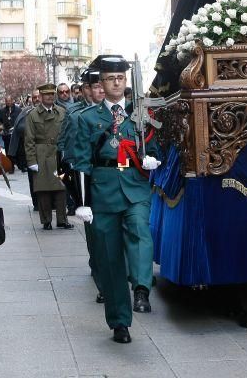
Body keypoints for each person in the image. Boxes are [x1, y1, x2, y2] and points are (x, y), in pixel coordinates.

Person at [70, 55, 162, 344]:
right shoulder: (87, 118)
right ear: (101, 83)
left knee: (140, 230)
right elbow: (80, 162)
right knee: (109, 259)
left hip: (135, 185)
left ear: (126, 81)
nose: (116, 82)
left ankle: (142, 289)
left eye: (120, 77)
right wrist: (82, 202)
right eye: (110, 78)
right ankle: (119, 321)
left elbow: (155, 145)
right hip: (103, 190)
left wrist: (151, 159)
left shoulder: (140, 114)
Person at [60, 70, 106, 304]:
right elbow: (65, 141)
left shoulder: (118, 113)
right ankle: (101, 278)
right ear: (85, 89)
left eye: (102, 85)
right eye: (94, 86)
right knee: (95, 232)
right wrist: (68, 166)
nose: (99, 90)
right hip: (84, 176)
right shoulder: (76, 114)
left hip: (111, 178)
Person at [25, 84, 71, 230]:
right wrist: (31, 160)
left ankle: (62, 220)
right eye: (46, 95)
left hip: (58, 153)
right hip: (41, 154)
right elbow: (29, 139)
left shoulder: (62, 112)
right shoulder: (33, 115)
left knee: (61, 187)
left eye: (52, 94)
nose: (50, 97)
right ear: (40, 97)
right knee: (43, 189)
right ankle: (46, 220)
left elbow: (68, 134)